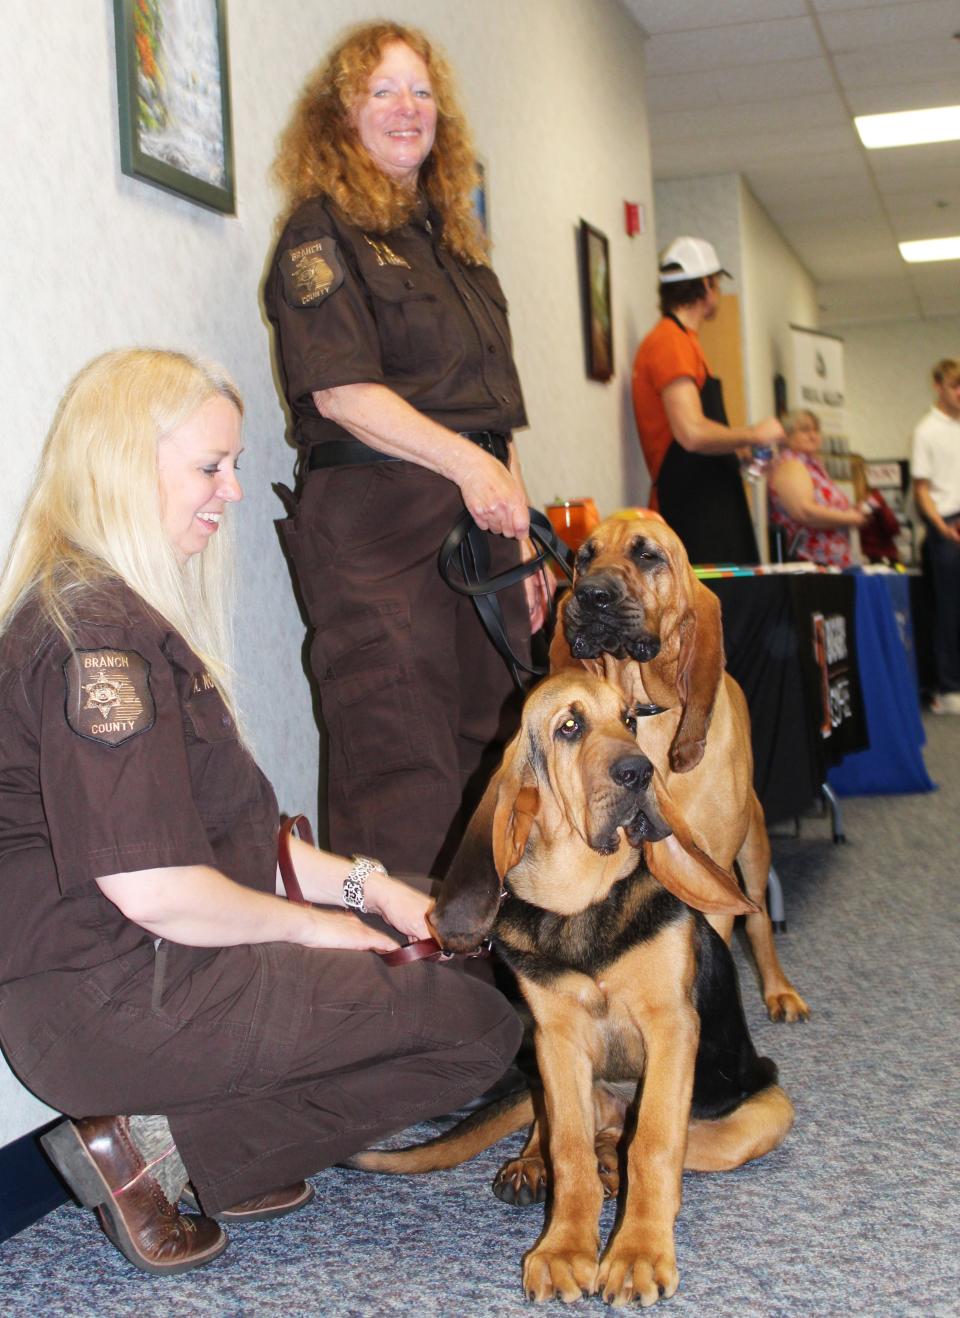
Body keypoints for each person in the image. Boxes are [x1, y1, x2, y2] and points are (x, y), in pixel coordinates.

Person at [0, 349, 522, 1275]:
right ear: (125, 462)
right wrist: (324, 934)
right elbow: (157, 890)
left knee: (439, 983)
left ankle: (216, 1153)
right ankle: (154, 1143)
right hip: (116, 996)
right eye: (211, 466)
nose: (234, 493)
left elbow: (246, 841)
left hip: (144, 975)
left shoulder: (121, 616)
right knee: (478, 1028)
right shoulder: (99, 643)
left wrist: (376, 894)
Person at [265, 21, 547, 880]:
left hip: (478, 532)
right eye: (382, 90)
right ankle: (409, 999)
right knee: (403, 769)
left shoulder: (460, 251)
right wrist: (469, 469)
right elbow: (340, 390)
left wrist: (524, 534)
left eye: (421, 92)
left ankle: (497, 988)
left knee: (496, 755)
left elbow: (490, 422)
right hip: (379, 539)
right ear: (342, 115)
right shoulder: (320, 235)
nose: (407, 108)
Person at [631, 235, 785, 565]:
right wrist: (753, 433)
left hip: (711, 508)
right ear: (705, 284)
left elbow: (699, 433)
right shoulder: (670, 342)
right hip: (693, 514)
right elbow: (691, 433)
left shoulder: (685, 341)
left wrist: (741, 452)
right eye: (716, 283)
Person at [911, 358, 960, 714]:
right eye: (956, 386)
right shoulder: (926, 430)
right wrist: (941, 527)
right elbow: (921, 488)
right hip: (946, 526)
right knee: (948, 610)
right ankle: (947, 688)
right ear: (939, 387)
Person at [767, 409, 867, 568]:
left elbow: (823, 508)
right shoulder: (791, 465)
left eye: (816, 430)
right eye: (805, 430)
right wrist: (850, 518)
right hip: (809, 564)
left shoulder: (812, 465)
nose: (813, 436)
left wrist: (851, 511)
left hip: (829, 565)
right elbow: (804, 511)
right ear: (787, 435)